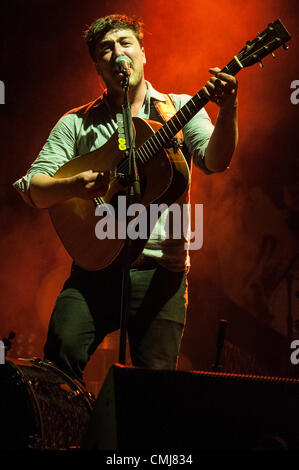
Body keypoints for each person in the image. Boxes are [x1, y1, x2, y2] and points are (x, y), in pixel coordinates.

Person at [13, 14, 238, 384]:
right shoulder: (76, 123)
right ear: (97, 65)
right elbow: (32, 187)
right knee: (58, 364)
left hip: (160, 274)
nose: (118, 53)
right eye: (107, 48)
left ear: (143, 53)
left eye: (126, 43)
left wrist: (228, 108)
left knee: (154, 391)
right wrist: (72, 186)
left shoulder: (178, 108)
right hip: (95, 269)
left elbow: (216, 161)